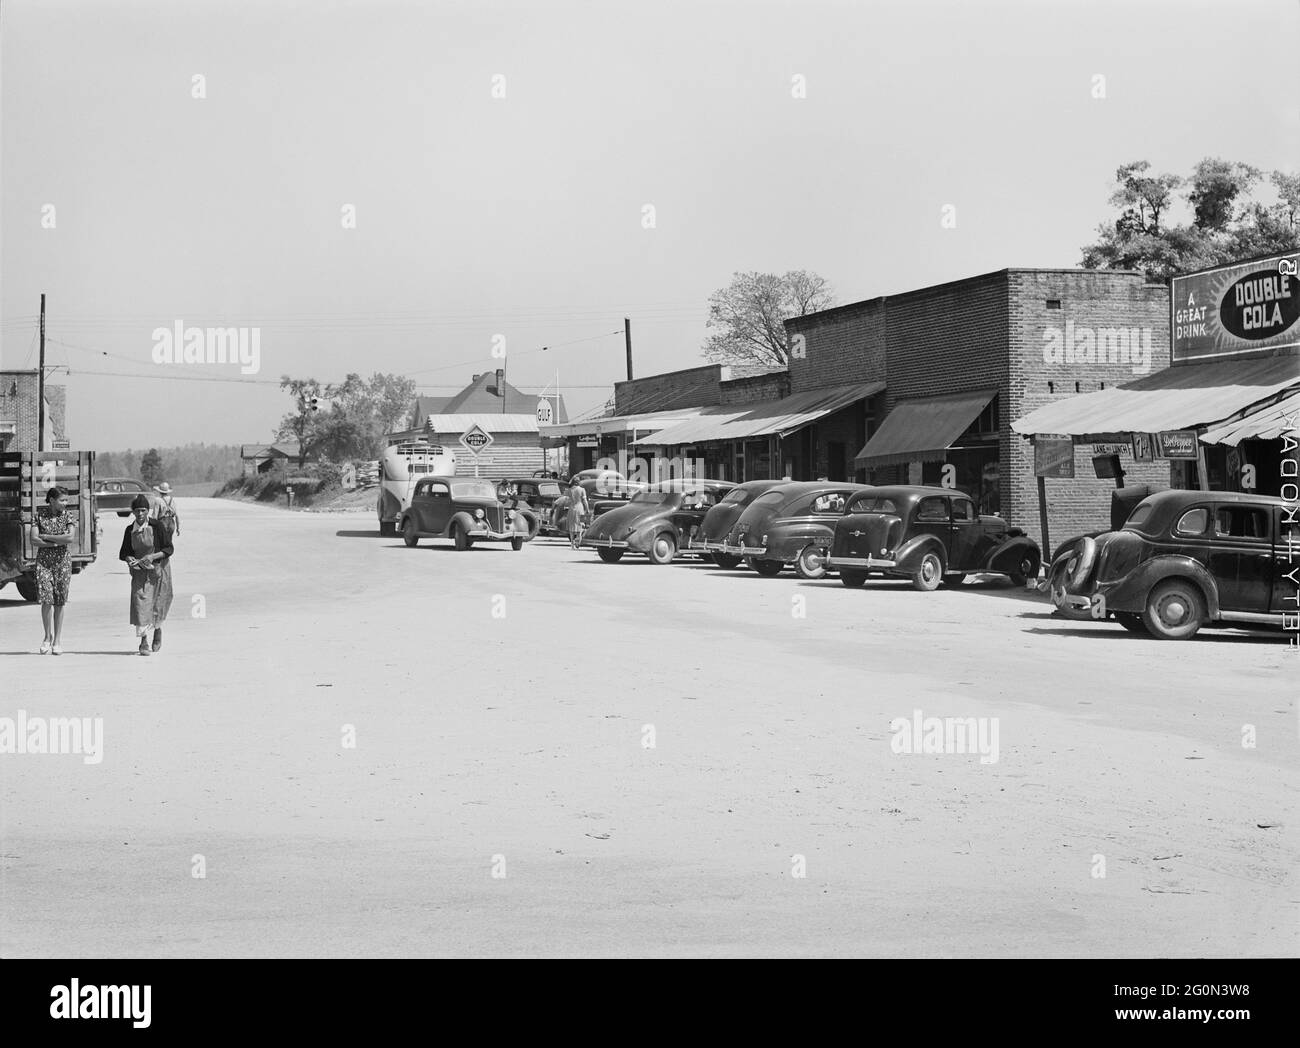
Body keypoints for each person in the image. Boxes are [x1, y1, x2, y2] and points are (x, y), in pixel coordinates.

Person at [120, 494, 174, 655]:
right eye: (137, 511)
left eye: (143, 510)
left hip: (159, 571)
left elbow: (168, 549)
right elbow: (124, 552)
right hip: (140, 573)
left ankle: (157, 630)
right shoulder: (130, 530)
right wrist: (130, 559)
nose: (140, 514)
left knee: (159, 602)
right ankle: (143, 641)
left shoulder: (157, 526)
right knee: (140, 604)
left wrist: (152, 556)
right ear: (133, 512)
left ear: (148, 511)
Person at [30, 485, 78, 655]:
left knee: (59, 600)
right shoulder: (39, 516)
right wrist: (58, 540)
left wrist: (48, 537)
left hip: (63, 563)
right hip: (44, 563)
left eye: (66, 500)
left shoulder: (68, 516)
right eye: (62, 500)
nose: (65, 503)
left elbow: (70, 538)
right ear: (51, 500)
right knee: (46, 599)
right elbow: (34, 540)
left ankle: (57, 640)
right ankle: (46, 637)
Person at [566, 478, 590, 550]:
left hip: (571, 509)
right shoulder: (582, 490)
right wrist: (587, 509)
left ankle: (572, 544)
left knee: (571, 526)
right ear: (578, 482)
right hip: (580, 508)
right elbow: (585, 501)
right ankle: (578, 542)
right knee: (580, 525)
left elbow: (566, 500)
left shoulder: (569, 490)